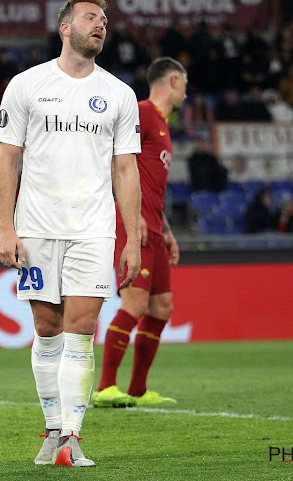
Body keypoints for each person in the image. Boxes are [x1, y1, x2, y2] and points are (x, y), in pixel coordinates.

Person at [0, 0, 141, 468]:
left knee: (81, 330)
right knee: (46, 328)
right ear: (65, 27)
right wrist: (5, 228)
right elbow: (7, 159)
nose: (101, 25)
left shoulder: (119, 94)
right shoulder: (26, 85)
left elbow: (125, 170)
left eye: (104, 20)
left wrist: (132, 237)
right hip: (35, 229)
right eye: (90, 17)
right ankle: (52, 427)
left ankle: (70, 440)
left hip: (93, 230)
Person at [92, 57, 186, 410]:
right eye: (185, 86)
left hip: (155, 226)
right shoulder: (142, 111)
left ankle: (138, 390)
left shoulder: (162, 123)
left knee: (162, 306)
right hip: (135, 225)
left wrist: (167, 229)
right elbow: (114, 162)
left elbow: (150, 181)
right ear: (173, 81)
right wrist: (131, 217)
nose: (186, 95)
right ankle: (105, 387)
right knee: (135, 302)